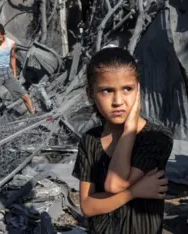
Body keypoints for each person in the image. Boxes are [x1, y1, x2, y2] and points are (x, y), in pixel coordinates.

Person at [72, 47, 174, 234]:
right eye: (107, 91)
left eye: (127, 89)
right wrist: (133, 192)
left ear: (138, 89)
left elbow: (114, 184)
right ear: (90, 93)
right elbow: (87, 206)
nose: (118, 100)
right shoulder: (90, 140)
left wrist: (130, 130)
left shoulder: (156, 137)